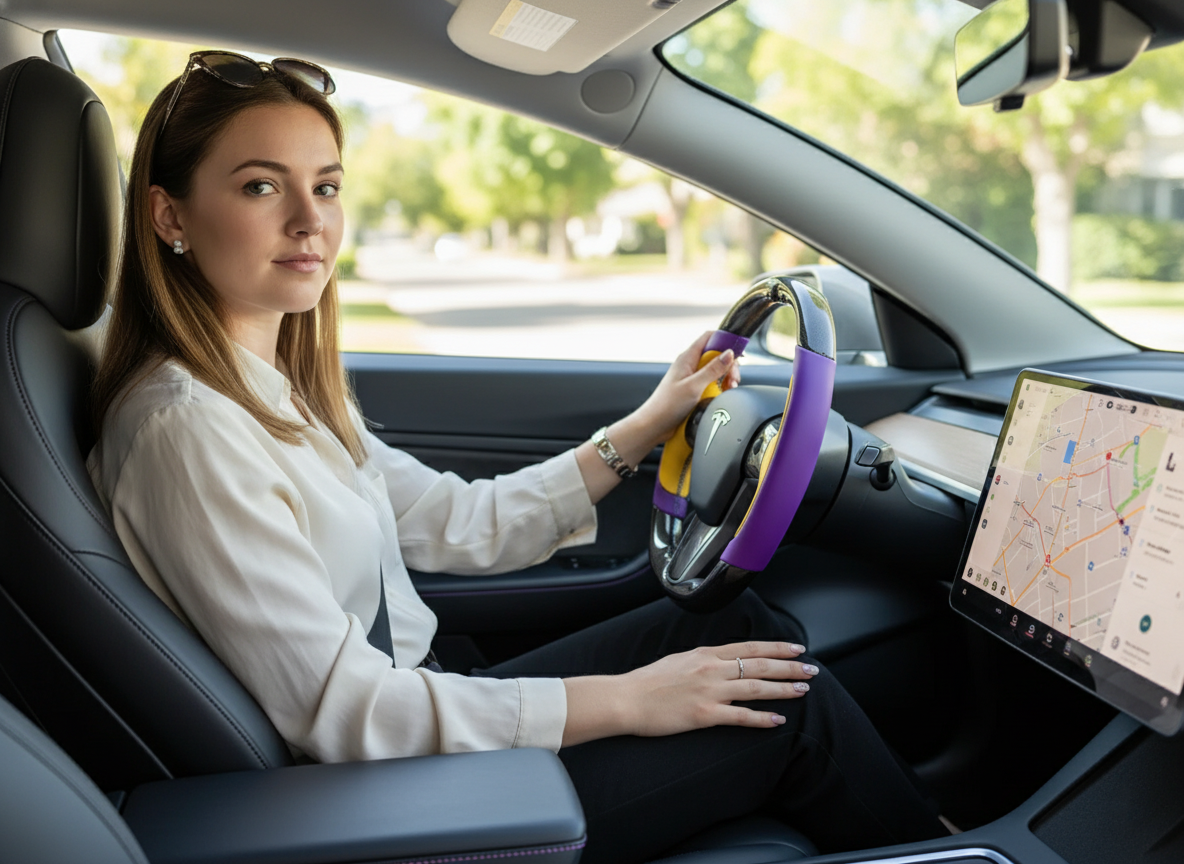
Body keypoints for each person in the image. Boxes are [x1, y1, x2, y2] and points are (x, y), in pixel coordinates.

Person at [87, 52, 948, 864]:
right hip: (372, 799)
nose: (311, 220)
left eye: (327, 186)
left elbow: (456, 521)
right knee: (788, 707)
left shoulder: (275, 390)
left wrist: (648, 424)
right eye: (261, 185)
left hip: (413, 725)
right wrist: (630, 700)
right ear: (169, 215)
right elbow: (348, 712)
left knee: (733, 631)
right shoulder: (187, 431)